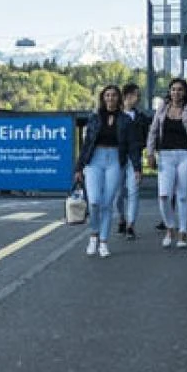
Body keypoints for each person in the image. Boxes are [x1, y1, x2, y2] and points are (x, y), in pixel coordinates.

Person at [145, 77, 187, 249]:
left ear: (185, 92)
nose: (176, 92)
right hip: (165, 156)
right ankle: (170, 227)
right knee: (164, 196)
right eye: (173, 89)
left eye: (180, 89)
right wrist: (150, 153)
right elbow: (153, 131)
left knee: (182, 195)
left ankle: (183, 232)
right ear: (169, 92)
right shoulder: (163, 109)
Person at [73, 85, 129, 259]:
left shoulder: (125, 119)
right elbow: (87, 143)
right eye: (107, 95)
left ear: (118, 99)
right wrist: (79, 167)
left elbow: (132, 144)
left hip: (114, 159)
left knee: (107, 203)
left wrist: (137, 168)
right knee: (95, 201)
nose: (110, 98)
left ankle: (103, 241)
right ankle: (93, 235)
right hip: (95, 159)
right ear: (103, 98)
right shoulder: (95, 118)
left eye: (113, 96)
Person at [115, 82, 146, 240]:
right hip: (117, 158)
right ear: (128, 96)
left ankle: (130, 226)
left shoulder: (140, 117)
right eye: (137, 95)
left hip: (135, 157)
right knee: (118, 193)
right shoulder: (116, 117)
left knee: (133, 192)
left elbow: (145, 137)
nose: (139, 98)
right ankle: (121, 218)